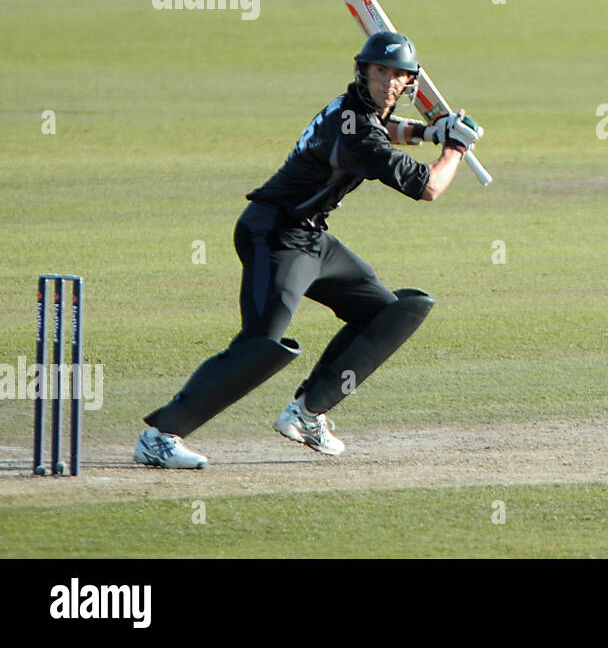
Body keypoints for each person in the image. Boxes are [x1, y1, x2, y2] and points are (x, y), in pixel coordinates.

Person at [133, 31, 482, 468]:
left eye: (398, 75)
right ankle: (160, 435)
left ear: (408, 83)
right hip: (273, 235)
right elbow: (428, 187)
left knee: (387, 311)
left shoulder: (353, 110)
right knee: (262, 345)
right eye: (380, 72)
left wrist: (431, 132)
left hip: (312, 238)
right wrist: (454, 149)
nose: (388, 82)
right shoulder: (358, 136)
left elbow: (388, 126)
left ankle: (306, 414)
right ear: (363, 71)